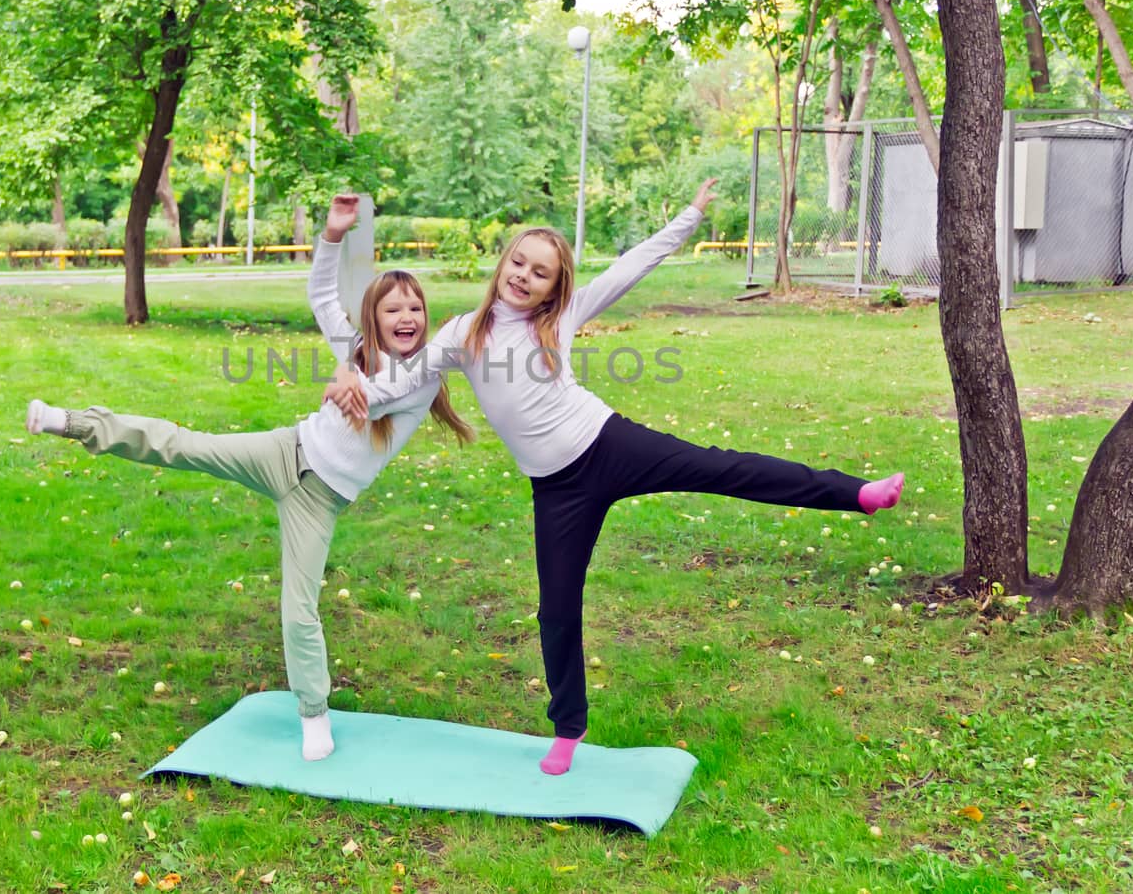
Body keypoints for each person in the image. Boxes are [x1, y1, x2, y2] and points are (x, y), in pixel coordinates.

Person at [325, 179, 904, 775]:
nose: (524, 275)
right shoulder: (462, 333)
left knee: (721, 467)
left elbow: (632, 266)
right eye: (519, 262)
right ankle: (568, 728)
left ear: (556, 287)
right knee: (556, 608)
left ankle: (853, 492)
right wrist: (356, 385)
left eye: (541, 272)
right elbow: (399, 379)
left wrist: (689, 215)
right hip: (557, 490)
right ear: (504, 265)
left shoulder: (560, 318)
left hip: (608, 444)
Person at [27, 194, 473, 762]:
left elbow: (383, 399)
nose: (407, 317)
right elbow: (319, 294)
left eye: (415, 308)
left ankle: (314, 714)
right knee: (184, 445)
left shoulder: (422, 378)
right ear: (374, 319)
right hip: (285, 451)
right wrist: (332, 236)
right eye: (393, 309)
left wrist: (351, 383)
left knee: (299, 607)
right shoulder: (356, 348)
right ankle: (72, 423)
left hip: (320, 500)